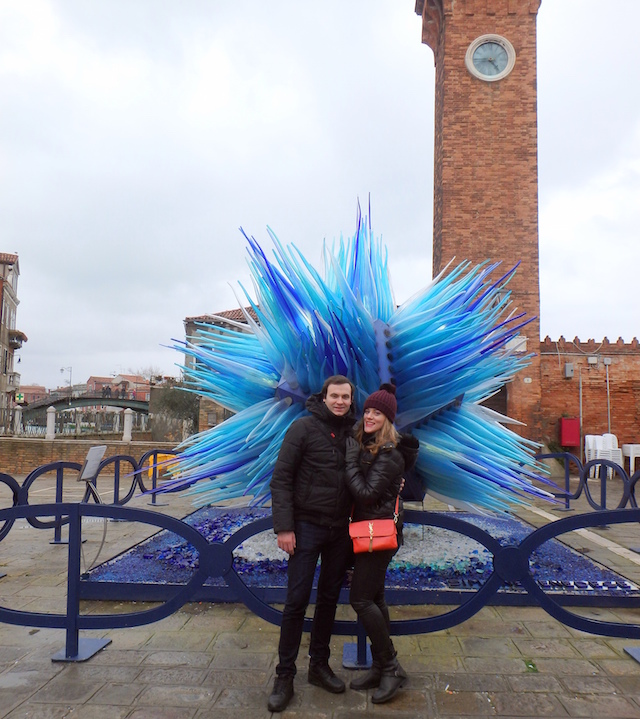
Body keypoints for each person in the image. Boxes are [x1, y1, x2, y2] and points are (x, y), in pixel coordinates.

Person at [268, 375, 356, 713]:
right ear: (324, 397)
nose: (339, 402)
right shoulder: (303, 429)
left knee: (330, 600)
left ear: (351, 399)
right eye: (334, 396)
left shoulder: (354, 433)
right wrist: (284, 528)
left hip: (339, 532)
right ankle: (284, 675)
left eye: (345, 397)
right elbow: (282, 479)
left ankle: (318, 665)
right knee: (296, 601)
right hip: (305, 528)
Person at [344, 382, 419, 704]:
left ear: (388, 419)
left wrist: (349, 462)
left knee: (360, 599)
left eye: (378, 412)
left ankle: (391, 666)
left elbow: (365, 493)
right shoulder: (371, 445)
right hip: (369, 531)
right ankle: (380, 665)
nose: (370, 416)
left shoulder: (389, 455)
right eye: (368, 411)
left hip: (377, 535)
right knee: (375, 598)